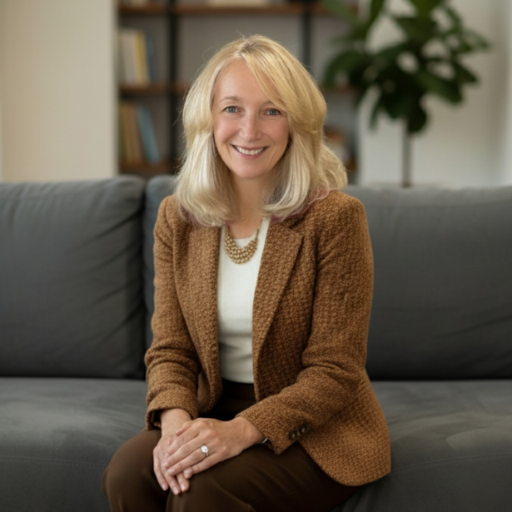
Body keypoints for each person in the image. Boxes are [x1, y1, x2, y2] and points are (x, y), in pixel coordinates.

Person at [102, 34, 391, 512]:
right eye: (232, 108)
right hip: (211, 404)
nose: (249, 129)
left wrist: (240, 432)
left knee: (201, 493)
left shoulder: (335, 219)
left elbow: (334, 371)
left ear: (296, 124)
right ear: (208, 119)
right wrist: (175, 428)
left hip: (314, 425)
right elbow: (171, 349)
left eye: (272, 111)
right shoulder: (178, 217)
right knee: (128, 476)